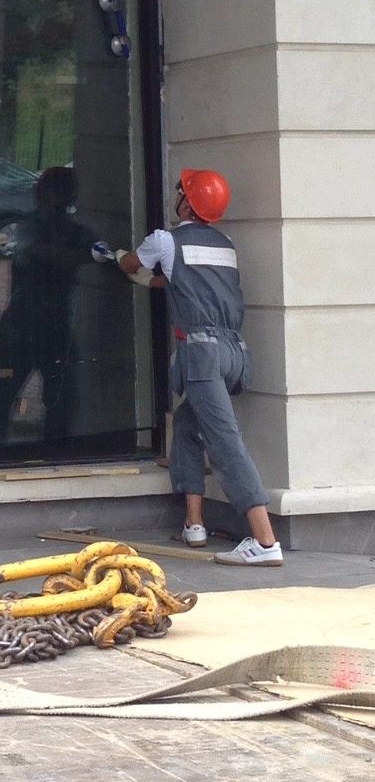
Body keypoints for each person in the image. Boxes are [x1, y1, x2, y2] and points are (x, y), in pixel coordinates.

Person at [104, 167, 282, 566]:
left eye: (180, 191)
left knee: (225, 442)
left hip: (201, 354)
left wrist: (115, 257)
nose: (176, 195)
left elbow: (132, 264)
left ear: (187, 202)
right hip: (234, 352)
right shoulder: (225, 244)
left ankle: (265, 541)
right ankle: (194, 523)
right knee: (186, 426)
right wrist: (150, 281)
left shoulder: (165, 240)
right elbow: (185, 284)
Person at [0, 166, 93, 448]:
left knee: (59, 396)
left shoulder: (70, 230)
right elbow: (38, 251)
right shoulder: (31, 227)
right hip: (25, 325)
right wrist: (83, 255)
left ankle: (49, 448)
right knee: (6, 394)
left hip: (44, 325)